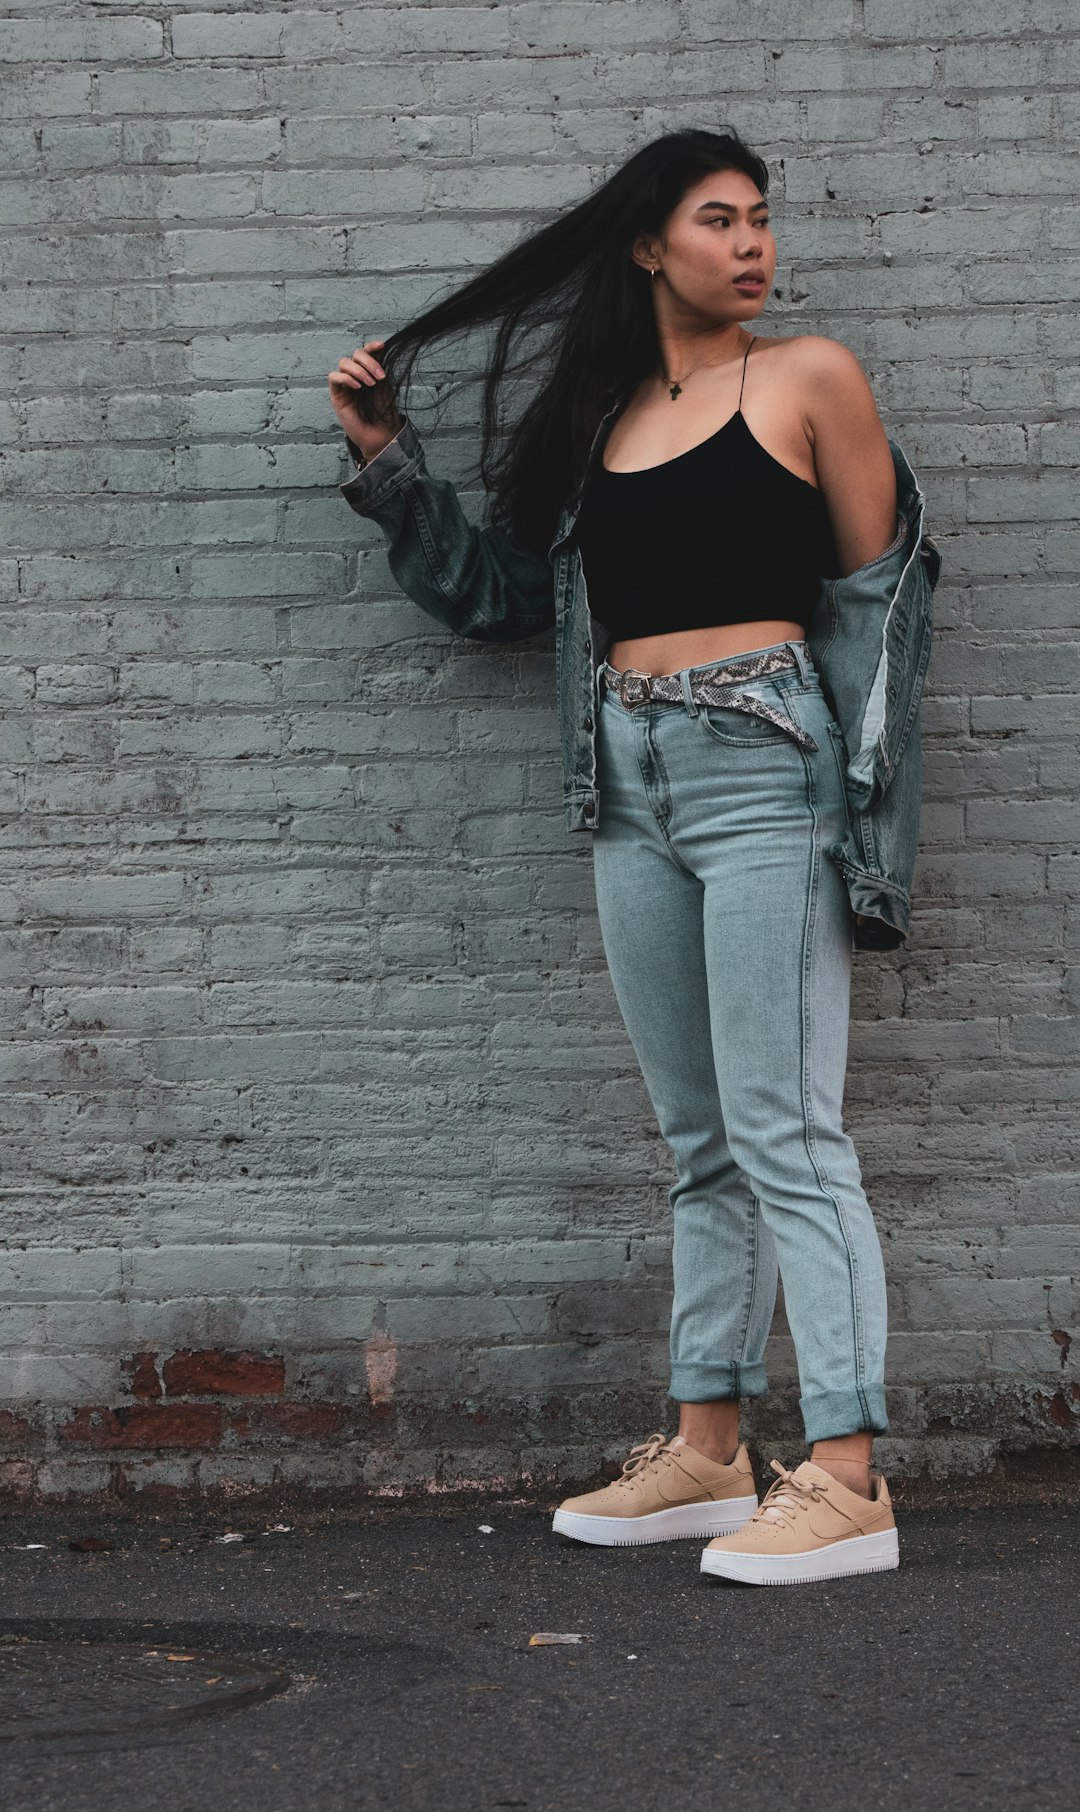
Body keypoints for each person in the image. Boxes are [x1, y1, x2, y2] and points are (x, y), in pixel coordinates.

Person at [328, 127, 937, 1588]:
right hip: (626, 775)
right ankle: (708, 1448)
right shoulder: (595, 421)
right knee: (702, 1143)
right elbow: (499, 604)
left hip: (765, 770)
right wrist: (390, 466)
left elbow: (880, 614)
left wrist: (864, 826)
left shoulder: (811, 379)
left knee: (791, 1131)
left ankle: (848, 1474)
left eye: (762, 220)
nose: (751, 244)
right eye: (717, 221)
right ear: (648, 250)